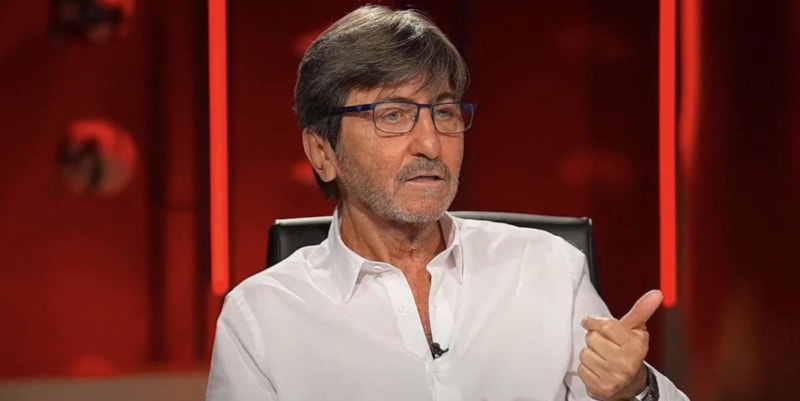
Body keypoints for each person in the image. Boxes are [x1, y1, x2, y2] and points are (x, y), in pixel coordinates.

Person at [206, 5, 690, 401]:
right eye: (392, 115)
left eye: (443, 112)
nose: (431, 144)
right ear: (322, 152)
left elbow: (622, 390)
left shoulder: (547, 268)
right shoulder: (261, 317)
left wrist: (636, 390)